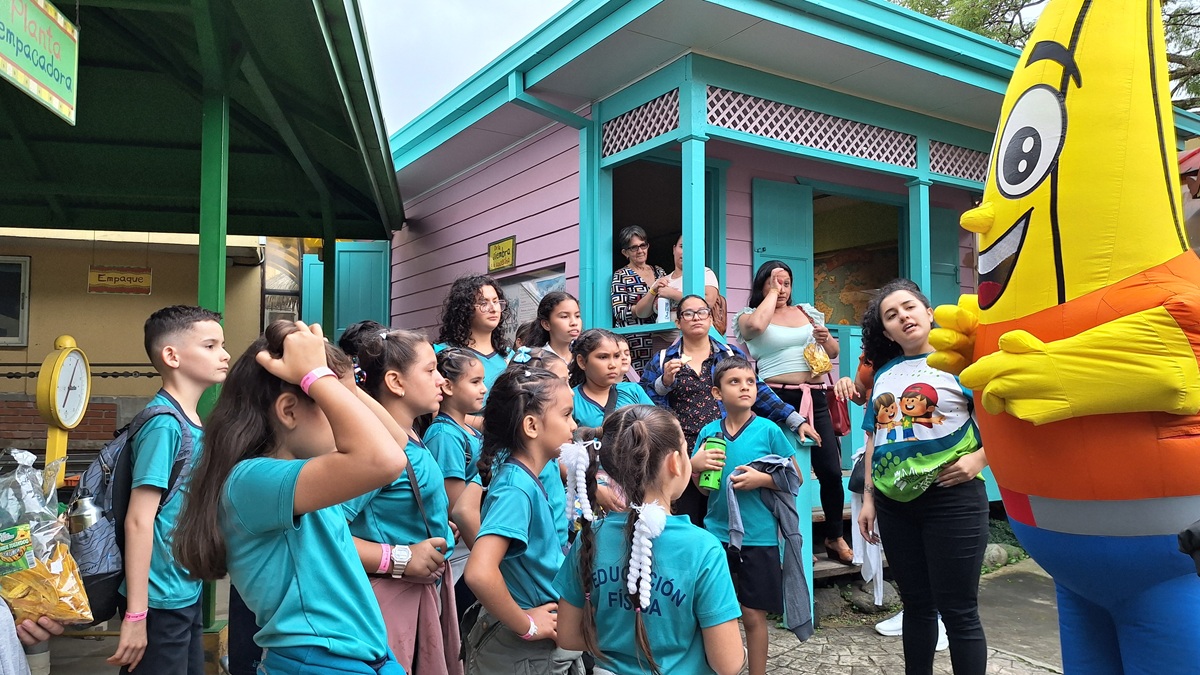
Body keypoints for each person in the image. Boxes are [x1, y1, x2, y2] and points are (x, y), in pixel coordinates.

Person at [173, 320, 409, 674]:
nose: (340, 410)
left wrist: (337, 378)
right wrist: (317, 375)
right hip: (317, 663)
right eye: (328, 402)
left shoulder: (306, 480)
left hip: (353, 660)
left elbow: (395, 443)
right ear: (288, 411)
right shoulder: (251, 481)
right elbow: (385, 459)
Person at [856, 279, 990, 675]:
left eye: (909, 308)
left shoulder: (960, 363)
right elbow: (873, 438)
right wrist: (868, 499)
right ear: (887, 332)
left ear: (928, 312)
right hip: (894, 506)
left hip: (954, 499)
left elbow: (1001, 424)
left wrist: (980, 460)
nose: (904, 317)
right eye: (892, 315)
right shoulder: (885, 374)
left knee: (959, 611)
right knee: (916, 606)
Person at [554, 405, 745, 675]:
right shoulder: (703, 549)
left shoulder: (590, 537)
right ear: (675, 463)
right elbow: (728, 663)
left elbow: (569, 636)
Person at [108, 305, 229, 674]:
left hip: (182, 591)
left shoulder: (191, 421)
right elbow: (139, 521)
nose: (224, 354)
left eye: (222, 344)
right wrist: (136, 615)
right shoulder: (165, 425)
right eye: (210, 345)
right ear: (171, 355)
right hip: (158, 601)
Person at [339, 322, 460, 675]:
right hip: (389, 604)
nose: (441, 380)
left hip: (414, 597)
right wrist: (401, 556)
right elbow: (325, 531)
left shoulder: (410, 436)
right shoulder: (381, 449)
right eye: (430, 370)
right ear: (395, 382)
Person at [641, 295, 818, 525]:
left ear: (710, 318)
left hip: (723, 448)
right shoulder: (664, 359)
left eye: (702, 312)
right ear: (678, 322)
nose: (696, 318)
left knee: (725, 515)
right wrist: (664, 383)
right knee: (687, 518)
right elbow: (646, 405)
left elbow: (759, 390)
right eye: (688, 313)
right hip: (683, 453)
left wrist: (795, 419)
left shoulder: (729, 355)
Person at [463, 368, 583, 674]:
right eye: (567, 415)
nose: (574, 425)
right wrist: (526, 624)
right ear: (531, 425)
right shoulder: (515, 488)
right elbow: (479, 572)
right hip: (520, 652)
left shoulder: (525, 479)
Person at [735, 260, 853, 565]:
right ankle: (792, 537)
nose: (782, 288)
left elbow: (833, 353)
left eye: (786, 282)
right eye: (775, 282)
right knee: (785, 470)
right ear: (762, 285)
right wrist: (771, 295)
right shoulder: (748, 317)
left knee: (829, 470)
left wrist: (828, 341)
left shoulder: (806, 312)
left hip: (815, 397)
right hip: (775, 398)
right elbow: (758, 329)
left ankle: (835, 536)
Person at [692, 357, 802, 675]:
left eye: (750, 382)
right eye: (734, 382)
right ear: (717, 393)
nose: (744, 387)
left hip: (759, 536)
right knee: (713, 611)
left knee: (753, 615)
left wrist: (762, 480)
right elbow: (702, 491)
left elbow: (794, 477)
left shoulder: (769, 431)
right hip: (716, 534)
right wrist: (697, 469)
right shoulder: (709, 432)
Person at [423, 347, 488, 622]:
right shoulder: (445, 434)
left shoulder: (469, 430)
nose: (483, 389)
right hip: (462, 550)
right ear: (448, 386)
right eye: (474, 382)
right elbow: (455, 504)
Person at [436, 274, 513, 392]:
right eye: (483, 303)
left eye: (496, 301)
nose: (493, 309)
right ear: (464, 309)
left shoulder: (509, 355)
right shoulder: (443, 353)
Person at [568, 329, 654, 433]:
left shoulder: (633, 391)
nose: (613, 365)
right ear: (582, 361)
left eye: (617, 356)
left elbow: (658, 429)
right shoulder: (571, 400)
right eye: (603, 357)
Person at [610, 225, 669, 373]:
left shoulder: (659, 271)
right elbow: (619, 312)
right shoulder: (621, 275)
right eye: (634, 248)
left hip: (661, 338)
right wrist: (642, 307)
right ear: (625, 252)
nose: (640, 251)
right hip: (634, 344)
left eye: (643, 245)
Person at [647, 235, 726, 344]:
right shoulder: (663, 280)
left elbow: (708, 301)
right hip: (661, 341)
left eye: (690, 248)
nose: (685, 252)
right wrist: (652, 291)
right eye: (682, 246)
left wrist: (672, 294)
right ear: (674, 249)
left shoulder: (704, 273)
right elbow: (642, 313)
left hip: (693, 341)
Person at [524, 291, 581, 364]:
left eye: (577, 316)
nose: (574, 323)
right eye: (564, 316)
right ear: (546, 324)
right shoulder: (536, 360)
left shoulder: (585, 357)